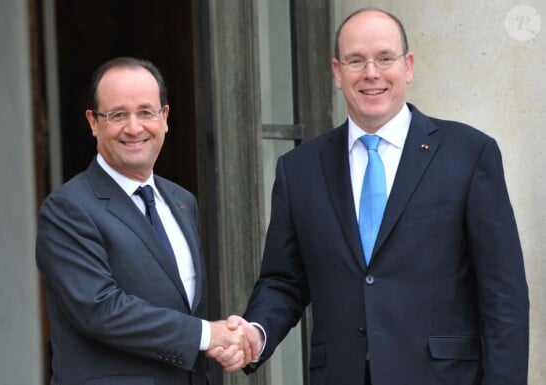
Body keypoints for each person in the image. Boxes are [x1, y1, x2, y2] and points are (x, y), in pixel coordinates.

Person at [211, 7, 529, 385]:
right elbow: (284, 281)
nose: (371, 73)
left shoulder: (469, 154)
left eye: (384, 58)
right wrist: (256, 333)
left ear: (408, 66)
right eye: (356, 61)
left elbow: (503, 295)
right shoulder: (299, 170)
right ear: (336, 72)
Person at [36, 56, 250, 385]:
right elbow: (101, 309)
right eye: (118, 114)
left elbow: (183, 310)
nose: (134, 128)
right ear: (93, 122)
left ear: (164, 118)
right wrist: (207, 335)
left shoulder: (181, 201)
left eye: (146, 112)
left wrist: (220, 344)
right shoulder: (67, 209)